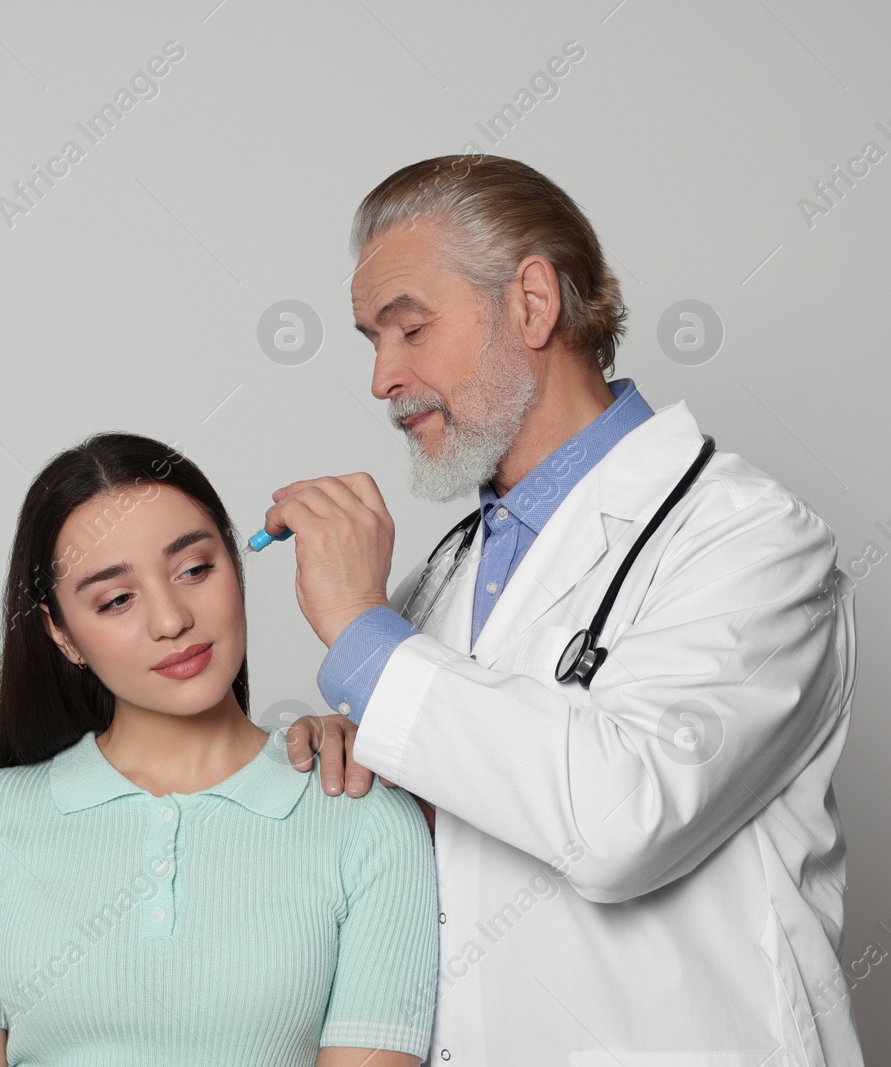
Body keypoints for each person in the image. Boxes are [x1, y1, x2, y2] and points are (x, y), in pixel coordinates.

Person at [261, 154, 862, 1064]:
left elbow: (622, 822)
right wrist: (359, 758)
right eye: (370, 340)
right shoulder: (449, 573)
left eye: (409, 329)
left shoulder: (752, 541)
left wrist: (363, 636)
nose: (382, 379)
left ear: (532, 303)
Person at [0, 432, 440, 1066]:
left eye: (194, 569)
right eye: (116, 600)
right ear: (62, 634)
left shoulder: (365, 816)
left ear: (236, 568)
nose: (170, 620)